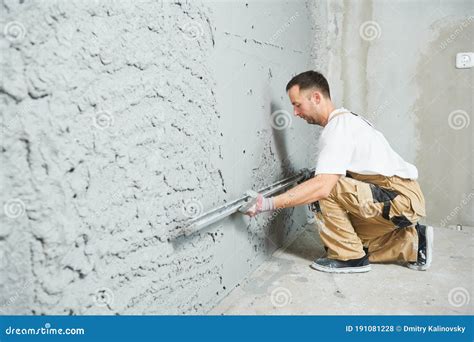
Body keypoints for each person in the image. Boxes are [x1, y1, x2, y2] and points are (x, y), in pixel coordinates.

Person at [244, 70, 432, 274]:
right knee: (347, 238)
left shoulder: (337, 128)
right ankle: (413, 242)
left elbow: (323, 188)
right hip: (403, 198)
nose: (296, 113)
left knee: (321, 189)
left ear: (316, 97)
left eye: (297, 105)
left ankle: (349, 258)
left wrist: (267, 204)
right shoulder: (346, 121)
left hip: (400, 198)